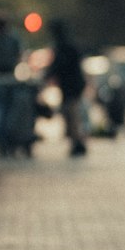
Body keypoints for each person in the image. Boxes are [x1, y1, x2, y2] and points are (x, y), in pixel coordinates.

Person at [49, 21, 88, 156]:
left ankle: (78, 142)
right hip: (72, 86)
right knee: (71, 114)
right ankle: (76, 141)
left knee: (72, 114)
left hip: (71, 86)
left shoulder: (64, 47)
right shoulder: (69, 46)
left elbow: (58, 65)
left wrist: (48, 75)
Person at [0, 13, 21, 157]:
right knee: (6, 112)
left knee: (1, 112)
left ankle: (4, 143)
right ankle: (6, 143)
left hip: (2, 77)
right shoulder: (10, 39)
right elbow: (17, 55)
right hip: (5, 77)